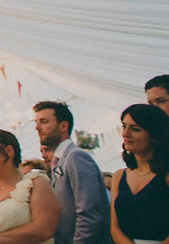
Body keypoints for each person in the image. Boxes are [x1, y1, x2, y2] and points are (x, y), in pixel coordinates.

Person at [110, 104, 169, 244]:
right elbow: (115, 228)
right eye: (124, 126)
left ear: (155, 136)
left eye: (135, 129)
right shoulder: (119, 176)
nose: (126, 134)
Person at [33, 101, 111, 244]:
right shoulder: (60, 159)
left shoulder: (76, 157)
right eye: (36, 122)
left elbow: (89, 213)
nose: (37, 128)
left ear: (63, 126)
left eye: (43, 122)